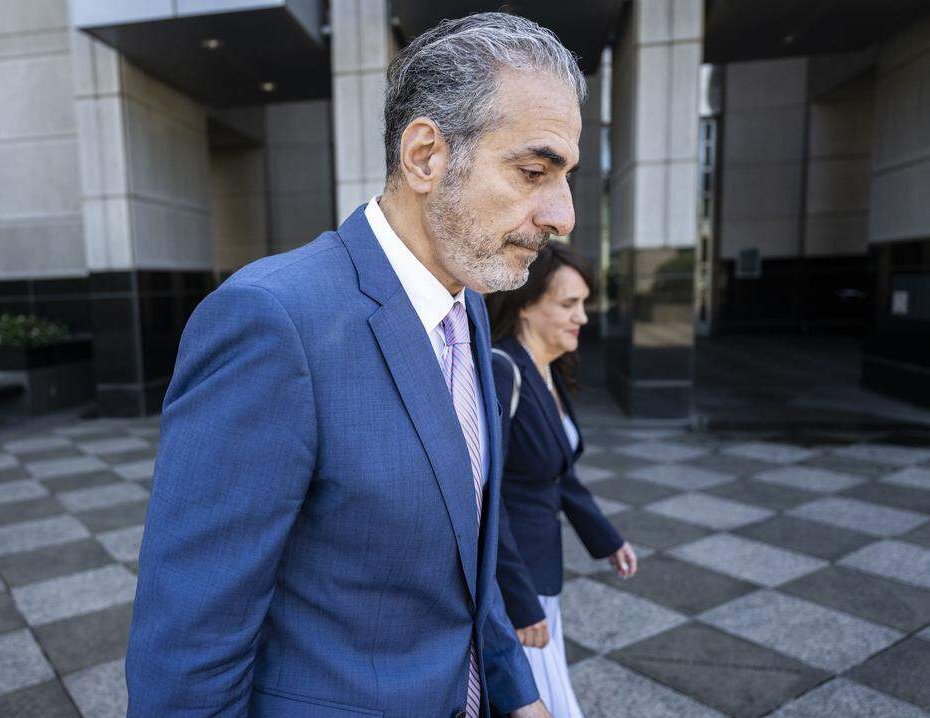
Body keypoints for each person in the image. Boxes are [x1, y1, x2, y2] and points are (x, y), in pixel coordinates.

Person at [126, 11, 589, 717]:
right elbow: (191, 640)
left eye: (565, 177)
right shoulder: (272, 320)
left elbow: (471, 551)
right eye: (534, 171)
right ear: (426, 156)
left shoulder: (465, 302)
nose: (563, 216)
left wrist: (514, 690)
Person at [487, 246, 637, 717]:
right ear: (527, 302)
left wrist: (606, 539)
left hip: (542, 571)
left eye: (584, 304)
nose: (583, 318)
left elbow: (561, 473)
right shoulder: (502, 368)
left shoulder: (546, 369)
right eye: (570, 304)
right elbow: (487, 500)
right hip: (518, 583)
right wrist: (520, 601)